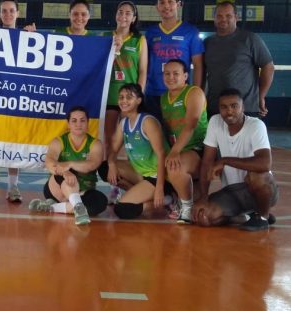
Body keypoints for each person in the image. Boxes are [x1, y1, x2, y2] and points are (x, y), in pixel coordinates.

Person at [192, 88, 279, 231]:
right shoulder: (215, 122)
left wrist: (224, 160)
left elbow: (265, 164)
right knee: (204, 217)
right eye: (224, 107)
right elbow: (207, 162)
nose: (229, 111)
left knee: (256, 176)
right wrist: (203, 197)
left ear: (243, 107)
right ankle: (244, 214)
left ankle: (263, 217)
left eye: (234, 106)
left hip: (260, 188)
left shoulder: (256, 125)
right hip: (232, 192)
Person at [0, 0, 34, 203]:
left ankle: (13, 186)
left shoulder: (26, 37)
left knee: (14, 144)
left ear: (18, 13)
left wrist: (34, 37)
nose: (8, 14)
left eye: (12, 10)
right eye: (4, 11)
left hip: (15, 99)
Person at [102, 83, 175, 221]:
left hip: (157, 177)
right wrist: (111, 163)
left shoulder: (147, 121)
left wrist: (159, 188)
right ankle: (138, 192)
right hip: (140, 174)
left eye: (129, 97)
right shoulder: (124, 123)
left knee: (122, 209)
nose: (124, 100)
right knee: (104, 167)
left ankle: (166, 200)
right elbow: (113, 150)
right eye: (121, 97)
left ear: (139, 100)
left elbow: (161, 155)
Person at [29, 106, 107, 225]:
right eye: (74, 121)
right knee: (61, 170)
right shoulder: (58, 141)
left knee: (100, 203)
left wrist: (69, 164)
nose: (78, 124)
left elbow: (91, 165)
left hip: (83, 191)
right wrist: (65, 171)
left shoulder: (95, 144)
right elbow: (49, 162)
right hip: (57, 190)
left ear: (88, 123)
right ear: (68, 123)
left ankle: (53, 207)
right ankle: (78, 206)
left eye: (82, 120)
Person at [204, 1, 275, 117]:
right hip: (215, 108)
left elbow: (268, 67)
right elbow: (202, 73)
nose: (223, 19)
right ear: (214, 18)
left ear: (236, 17)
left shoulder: (250, 39)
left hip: (246, 108)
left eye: (228, 16)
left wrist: (260, 96)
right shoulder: (207, 43)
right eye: (219, 16)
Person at [144, 0, 204, 119]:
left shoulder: (191, 32)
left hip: (181, 93)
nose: (166, 6)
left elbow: (198, 65)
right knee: (153, 130)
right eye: (162, 2)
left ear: (178, 4)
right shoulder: (150, 33)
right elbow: (144, 64)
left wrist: (196, 93)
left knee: (179, 130)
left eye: (170, 1)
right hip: (153, 93)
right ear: (157, 7)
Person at [161, 59, 208, 223]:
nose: (171, 77)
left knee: (174, 166)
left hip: (199, 149)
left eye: (176, 73)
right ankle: (176, 198)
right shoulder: (164, 98)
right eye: (167, 73)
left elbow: (191, 125)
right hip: (179, 150)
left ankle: (186, 208)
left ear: (186, 76)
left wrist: (174, 151)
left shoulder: (194, 92)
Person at [105, 1, 148, 157]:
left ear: (133, 18)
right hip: (110, 95)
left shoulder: (139, 40)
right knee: (109, 138)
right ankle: (109, 167)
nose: (123, 15)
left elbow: (142, 71)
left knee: (129, 138)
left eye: (128, 13)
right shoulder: (105, 37)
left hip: (130, 97)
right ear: (116, 15)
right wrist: (113, 49)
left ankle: (130, 170)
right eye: (120, 12)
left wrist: (138, 96)